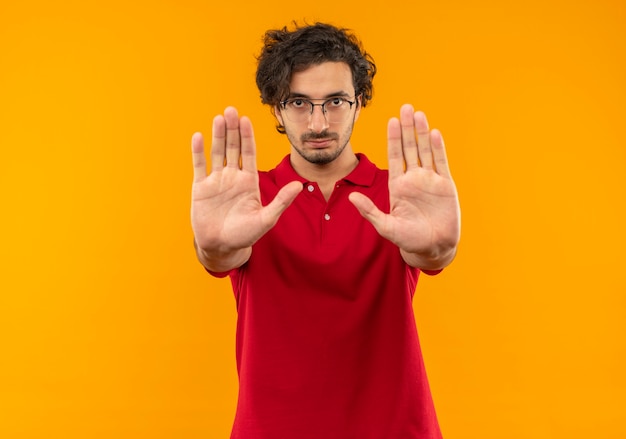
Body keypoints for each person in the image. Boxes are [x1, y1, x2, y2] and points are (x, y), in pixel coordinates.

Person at [190, 22, 460, 439]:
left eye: (335, 101)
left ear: (358, 103)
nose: (318, 123)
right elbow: (221, 254)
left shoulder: (402, 196)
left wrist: (439, 250)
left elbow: (431, 253)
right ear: (277, 108)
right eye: (299, 103)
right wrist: (212, 249)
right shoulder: (246, 198)